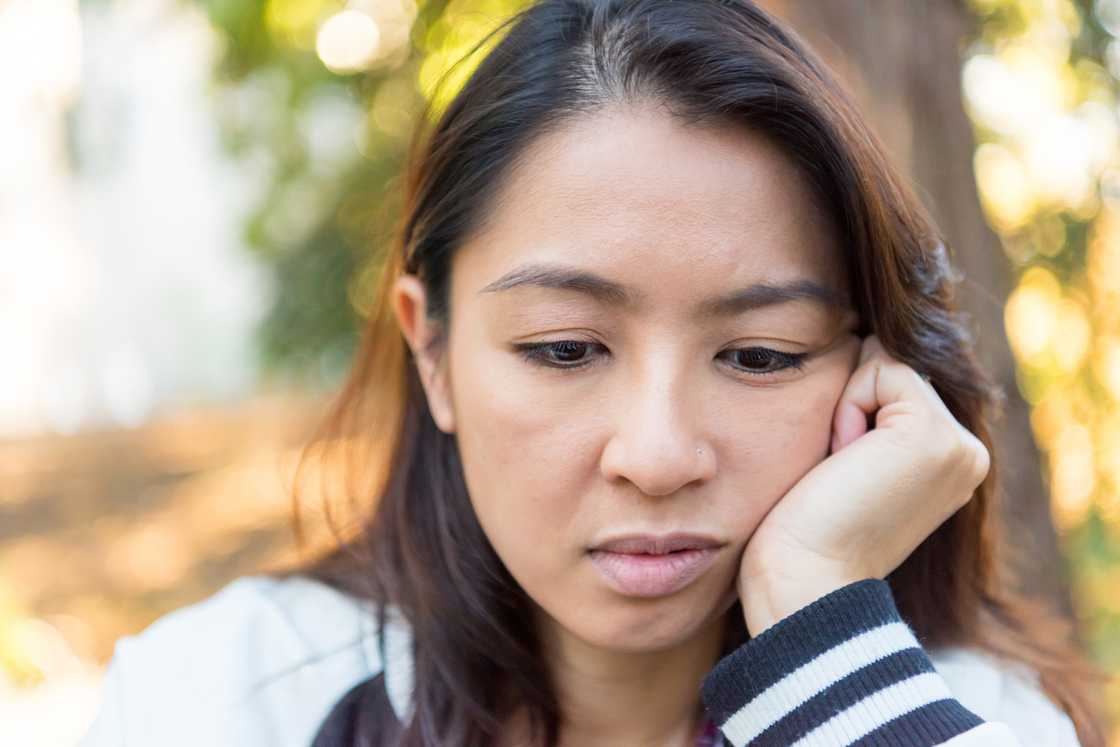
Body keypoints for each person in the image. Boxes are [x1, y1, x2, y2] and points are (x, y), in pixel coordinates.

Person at [78, 0, 1108, 745]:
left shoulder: (947, 717)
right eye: (565, 349)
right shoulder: (220, 702)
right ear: (429, 348)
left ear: (873, 377)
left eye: (760, 356)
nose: (657, 457)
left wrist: (814, 617)